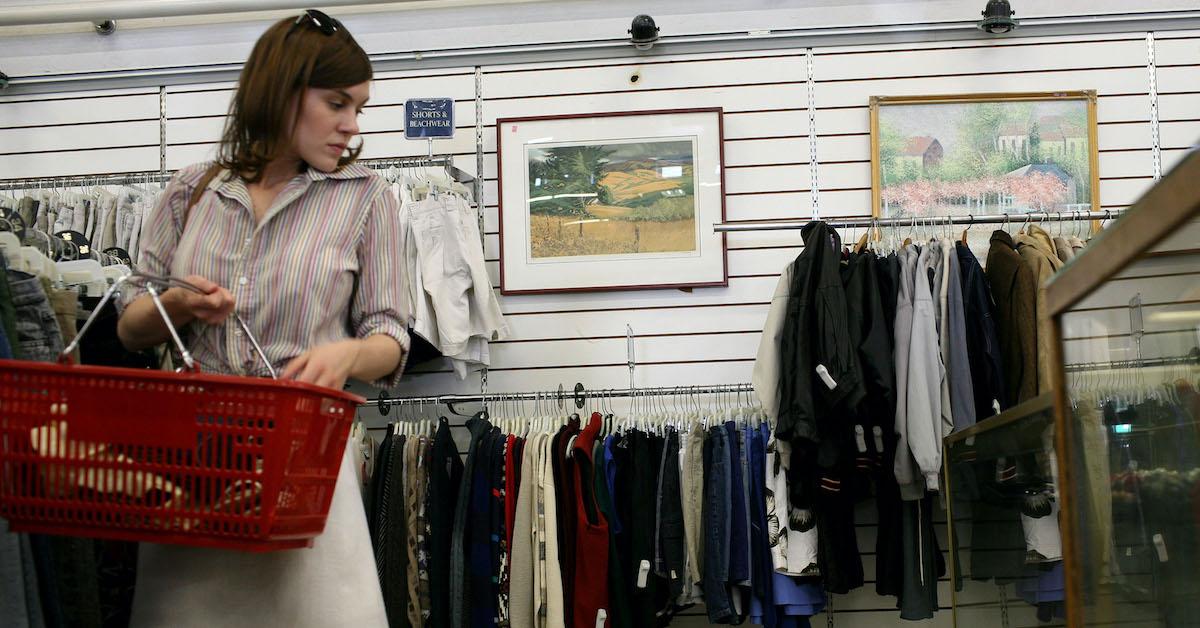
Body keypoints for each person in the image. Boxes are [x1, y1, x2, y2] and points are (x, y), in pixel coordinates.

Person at [117, 10, 403, 627]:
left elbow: (393, 337)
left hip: (307, 474)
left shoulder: (368, 198)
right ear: (281, 92)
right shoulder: (191, 190)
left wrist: (348, 355)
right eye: (336, 104)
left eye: (359, 109)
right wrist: (178, 304)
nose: (351, 128)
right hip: (193, 476)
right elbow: (129, 324)